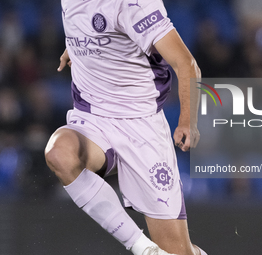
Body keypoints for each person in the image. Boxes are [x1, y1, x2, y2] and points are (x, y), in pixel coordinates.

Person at [44, 0, 206, 254]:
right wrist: (74, 48)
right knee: (59, 152)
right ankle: (143, 248)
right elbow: (87, 23)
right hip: (93, 116)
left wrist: (188, 121)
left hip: (142, 126)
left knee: (177, 251)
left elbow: (186, 64)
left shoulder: (134, 3)